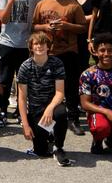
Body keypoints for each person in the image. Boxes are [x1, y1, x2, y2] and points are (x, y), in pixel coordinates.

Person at [0, 0, 43, 117]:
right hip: (7, 42)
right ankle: (2, 110)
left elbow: (37, 19)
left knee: (23, 79)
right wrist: (11, 1)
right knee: (5, 79)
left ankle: (20, 111)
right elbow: (3, 19)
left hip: (25, 44)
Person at [15, 30, 71, 165]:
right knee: (40, 151)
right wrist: (26, 125)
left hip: (53, 104)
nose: (39, 46)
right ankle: (47, 134)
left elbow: (60, 93)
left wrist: (50, 108)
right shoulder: (25, 67)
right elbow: (21, 98)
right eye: (36, 44)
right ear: (31, 47)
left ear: (48, 47)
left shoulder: (56, 63)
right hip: (35, 109)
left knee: (61, 113)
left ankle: (58, 147)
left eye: (43, 43)